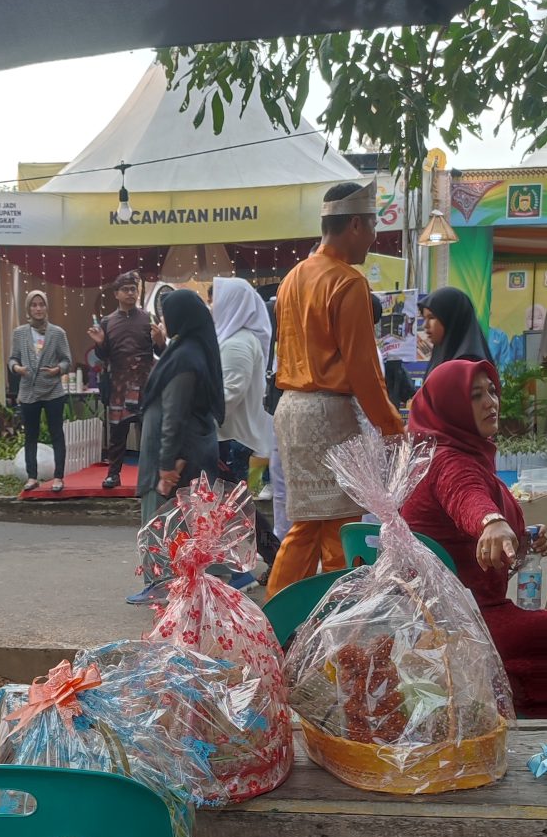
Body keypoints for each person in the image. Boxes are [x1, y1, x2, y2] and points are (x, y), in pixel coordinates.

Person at [266, 178, 404, 598]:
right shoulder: (347, 282)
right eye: (373, 227)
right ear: (357, 226)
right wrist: (393, 428)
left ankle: (278, 618)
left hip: (292, 409)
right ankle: (340, 620)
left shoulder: (293, 277)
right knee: (334, 525)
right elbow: (364, 370)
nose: (375, 239)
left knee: (312, 523)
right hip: (325, 412)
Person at [401, 358, 547, 716]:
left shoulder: (442, 453)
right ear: (449, 405)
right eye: (475, 395)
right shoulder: (452, 461)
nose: (491, 402)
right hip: (466, 627)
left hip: (441, 618)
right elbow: (465, 496)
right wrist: (491, 522)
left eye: (492, 391)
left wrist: (524, 538)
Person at [129, 288, 224, 603]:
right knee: (177, 522)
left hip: (170, 454)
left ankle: (163, 587)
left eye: (166, 314)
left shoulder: (185, 358)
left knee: (162, 520)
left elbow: (174, 415)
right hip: (184, 450)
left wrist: (167, 464)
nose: (162, 320)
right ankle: (174, 586)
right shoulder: (187, 347)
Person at [211, 276, 279, 576]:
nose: (214, 306)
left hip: (231, 435)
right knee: (238, 507)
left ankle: (267, 558)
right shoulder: (239, 339)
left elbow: (229, 394)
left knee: (238, 508)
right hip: (234, 434)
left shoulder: (238, 343)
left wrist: (202, 410)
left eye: (218, 300)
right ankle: (272, 556)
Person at [87, 271, 165, 488]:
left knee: (150, 430)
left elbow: (161, 351)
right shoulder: (107, 321)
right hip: (119, 383)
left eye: (134, 289)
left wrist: (160, 340)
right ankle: (113, 474)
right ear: (116, 294)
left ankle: (154, 474)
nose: (131, 293)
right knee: (118, 432)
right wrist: (100, 343)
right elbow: (103, 357)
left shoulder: (147, 317)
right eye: (126, 289)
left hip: (146, 382)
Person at [8, 290, 72, 493]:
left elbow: (67, 360)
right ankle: (32, 476)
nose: (38, 308)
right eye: (34, 305)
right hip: (29, 391)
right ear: (28, 308)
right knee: (31, 436)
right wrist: (17, 369)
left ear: (46, 307)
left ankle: (59, 477)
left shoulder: (57, 333)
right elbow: (12, 359)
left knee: (56, 434)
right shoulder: (19, 333)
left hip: (53, 390)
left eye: (41, 304)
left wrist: (57, 370)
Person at [420, 287, 490, 376]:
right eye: (424, 318)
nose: (425, 325)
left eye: (431, 317)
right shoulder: (440, 353)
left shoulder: (468, 364)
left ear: (451, 319)